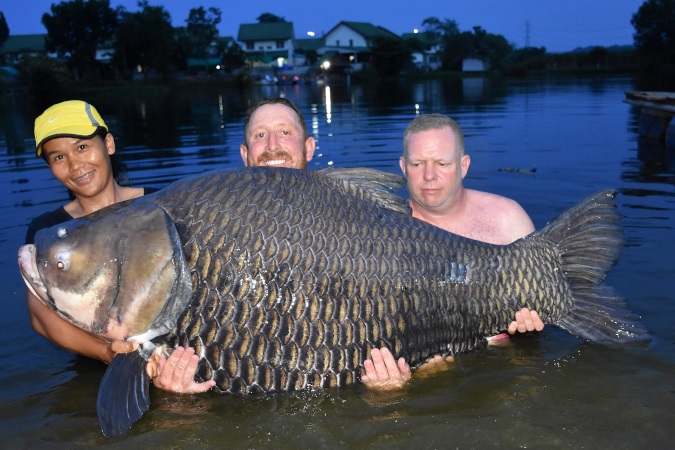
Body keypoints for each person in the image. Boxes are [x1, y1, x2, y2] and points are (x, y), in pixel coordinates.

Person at [26, 100, 214, 394]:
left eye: (82, 147)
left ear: (109, 143)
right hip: (96, 370)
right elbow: (41, 317)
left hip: (181, 357)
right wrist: (107, 353)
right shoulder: (49, 233)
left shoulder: (161, 205)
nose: (76, 165)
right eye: (58, 157)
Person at [361, 113, 545, 390]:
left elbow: (546, 304)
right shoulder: (382, 236)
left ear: (464, 165)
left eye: (442, 163)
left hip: (505, 366)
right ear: (403, 167)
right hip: (430, 375)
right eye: (417, 163)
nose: (429, 175)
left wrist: (534, 322)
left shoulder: (508, 219)